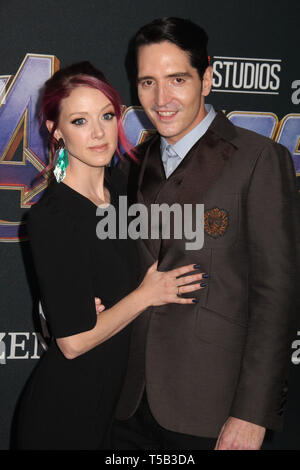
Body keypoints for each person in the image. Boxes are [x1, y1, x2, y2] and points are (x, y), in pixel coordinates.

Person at [112, 17, 300, 450]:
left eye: (177, 79)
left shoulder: (259, 160)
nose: (161, 99)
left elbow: (278, 295)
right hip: (127, 403)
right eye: (147, 82)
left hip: (211, 413)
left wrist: (253, 414)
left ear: (208, 77)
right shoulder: (131, 163)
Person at [15, 61, 206, 450]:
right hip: (65, 413)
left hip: (120, 411)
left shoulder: (123, 188)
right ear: (56, 130)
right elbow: (72, 343)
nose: (99, 133)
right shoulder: (52, 217)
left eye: (106, 116)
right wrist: (145, 295)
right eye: (80, 121)